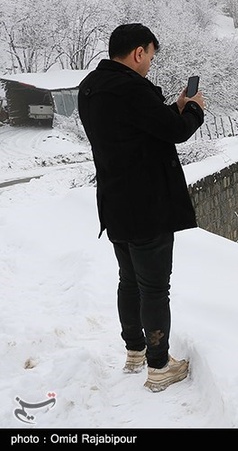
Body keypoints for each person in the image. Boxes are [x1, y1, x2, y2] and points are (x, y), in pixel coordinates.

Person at [78, 23, 205, 392]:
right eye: (150, 55)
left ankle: (134, 351)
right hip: (148, 205)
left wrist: (175, 107)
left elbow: (141, 124)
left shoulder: (92, 87)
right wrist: (193, 110)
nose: (150, 62)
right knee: (154, 289)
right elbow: (175, 131)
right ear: (138, 52)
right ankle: (160, 365)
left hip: (115, 203)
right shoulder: (132, 89)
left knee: (129, 281)